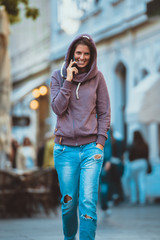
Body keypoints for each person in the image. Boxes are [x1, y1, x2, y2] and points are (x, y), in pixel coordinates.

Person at [50, 34, 111, 240]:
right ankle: (69, 238)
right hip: (64, 150)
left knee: (87, 201)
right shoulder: (57, 76)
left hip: (91, 149)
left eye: (86, 53)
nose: (82, 57)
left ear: (91, 55)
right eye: (78, 53)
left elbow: (104, 113)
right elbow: (58, 109)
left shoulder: (98, 78)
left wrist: (100, 143)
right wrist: (68, 80)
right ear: (71, 54)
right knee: (69, 204)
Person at [128, 130, 149, 205]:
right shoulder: (145, 144)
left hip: (134, 164)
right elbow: (147, 156)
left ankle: (134, 199)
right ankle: (142, 200)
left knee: (133, 182)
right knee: (142, 182)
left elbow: (130, 157)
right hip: (143, 163)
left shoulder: (132, 145)